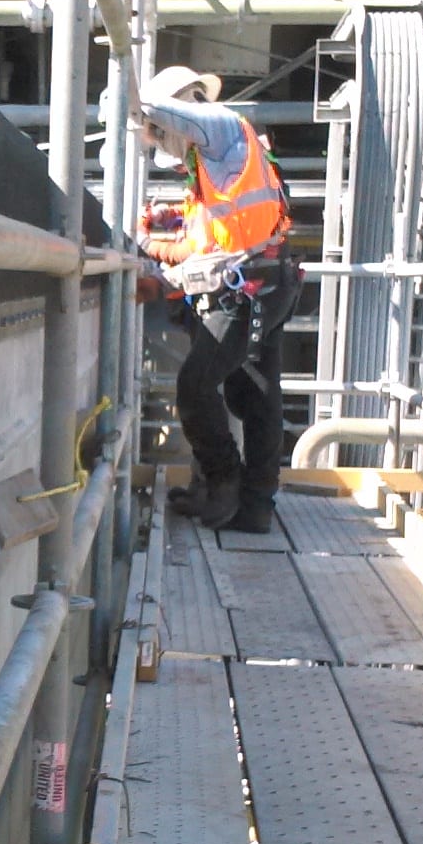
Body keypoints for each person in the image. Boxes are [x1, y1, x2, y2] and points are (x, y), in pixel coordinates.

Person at [136, 65, 301, 534]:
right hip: (265, 284)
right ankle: (252, 505)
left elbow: (212, 250)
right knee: (254, 396)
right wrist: (159, 236)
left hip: (251, 290)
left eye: (158, 133)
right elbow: (205, 244)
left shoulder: (225, 129)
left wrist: (135, 105)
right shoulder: (214, 168)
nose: (161, 143)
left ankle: (224, 483)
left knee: (196, 386)